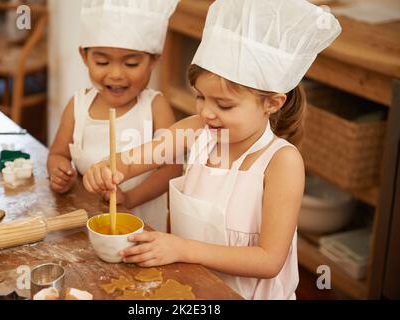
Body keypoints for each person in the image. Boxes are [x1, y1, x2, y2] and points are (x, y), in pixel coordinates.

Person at [83, 0, 341, 299]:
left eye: (224, 105)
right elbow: (133, 160)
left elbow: (269, 260)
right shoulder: (197, 131)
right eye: (201, 97)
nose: (207, 112)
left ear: (272, 103)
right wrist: (109, 167)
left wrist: (182, 248)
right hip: (190, 288)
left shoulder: (281, 162)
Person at [47, 0, 181, 232]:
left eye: (131, 63)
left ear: (154, 60)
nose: (116, 74)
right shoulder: (78, 105)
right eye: (102, 62)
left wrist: (129, 198)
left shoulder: (155, 107)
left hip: (144, 230)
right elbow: (57, 153)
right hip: (86, 227)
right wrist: (59, 172)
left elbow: (172, 169)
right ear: (84, 56)